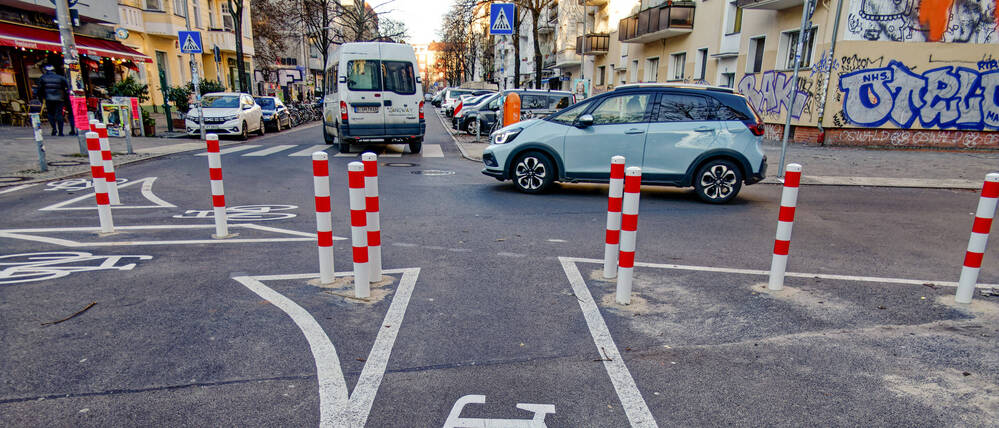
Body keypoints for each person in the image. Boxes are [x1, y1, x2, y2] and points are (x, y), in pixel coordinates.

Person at [35, 65, 70, 136]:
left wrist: (41, 98)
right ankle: (61, 132)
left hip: (48, 98)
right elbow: (67, 87)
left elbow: (39, 89)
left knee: (50, 114)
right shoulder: (60, 77)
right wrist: (65, 96)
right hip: (59, 98)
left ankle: (54, 129)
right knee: (59, 114)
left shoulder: (43, 78)